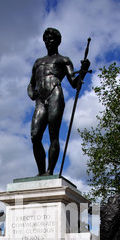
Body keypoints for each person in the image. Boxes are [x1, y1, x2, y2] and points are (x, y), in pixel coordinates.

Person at [28, 28, 90, 176]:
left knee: (53, 134)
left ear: (58, 41)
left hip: (55, 94)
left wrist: (83, 70)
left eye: (51, 39)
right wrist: (31, 92)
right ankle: (41, 172)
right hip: (40, 100)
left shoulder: (64, 60)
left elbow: (74, 83)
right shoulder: (38, 62)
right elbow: (31, 83)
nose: (48, 41)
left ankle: (49, 171)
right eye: (46, 39)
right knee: (35, 136)